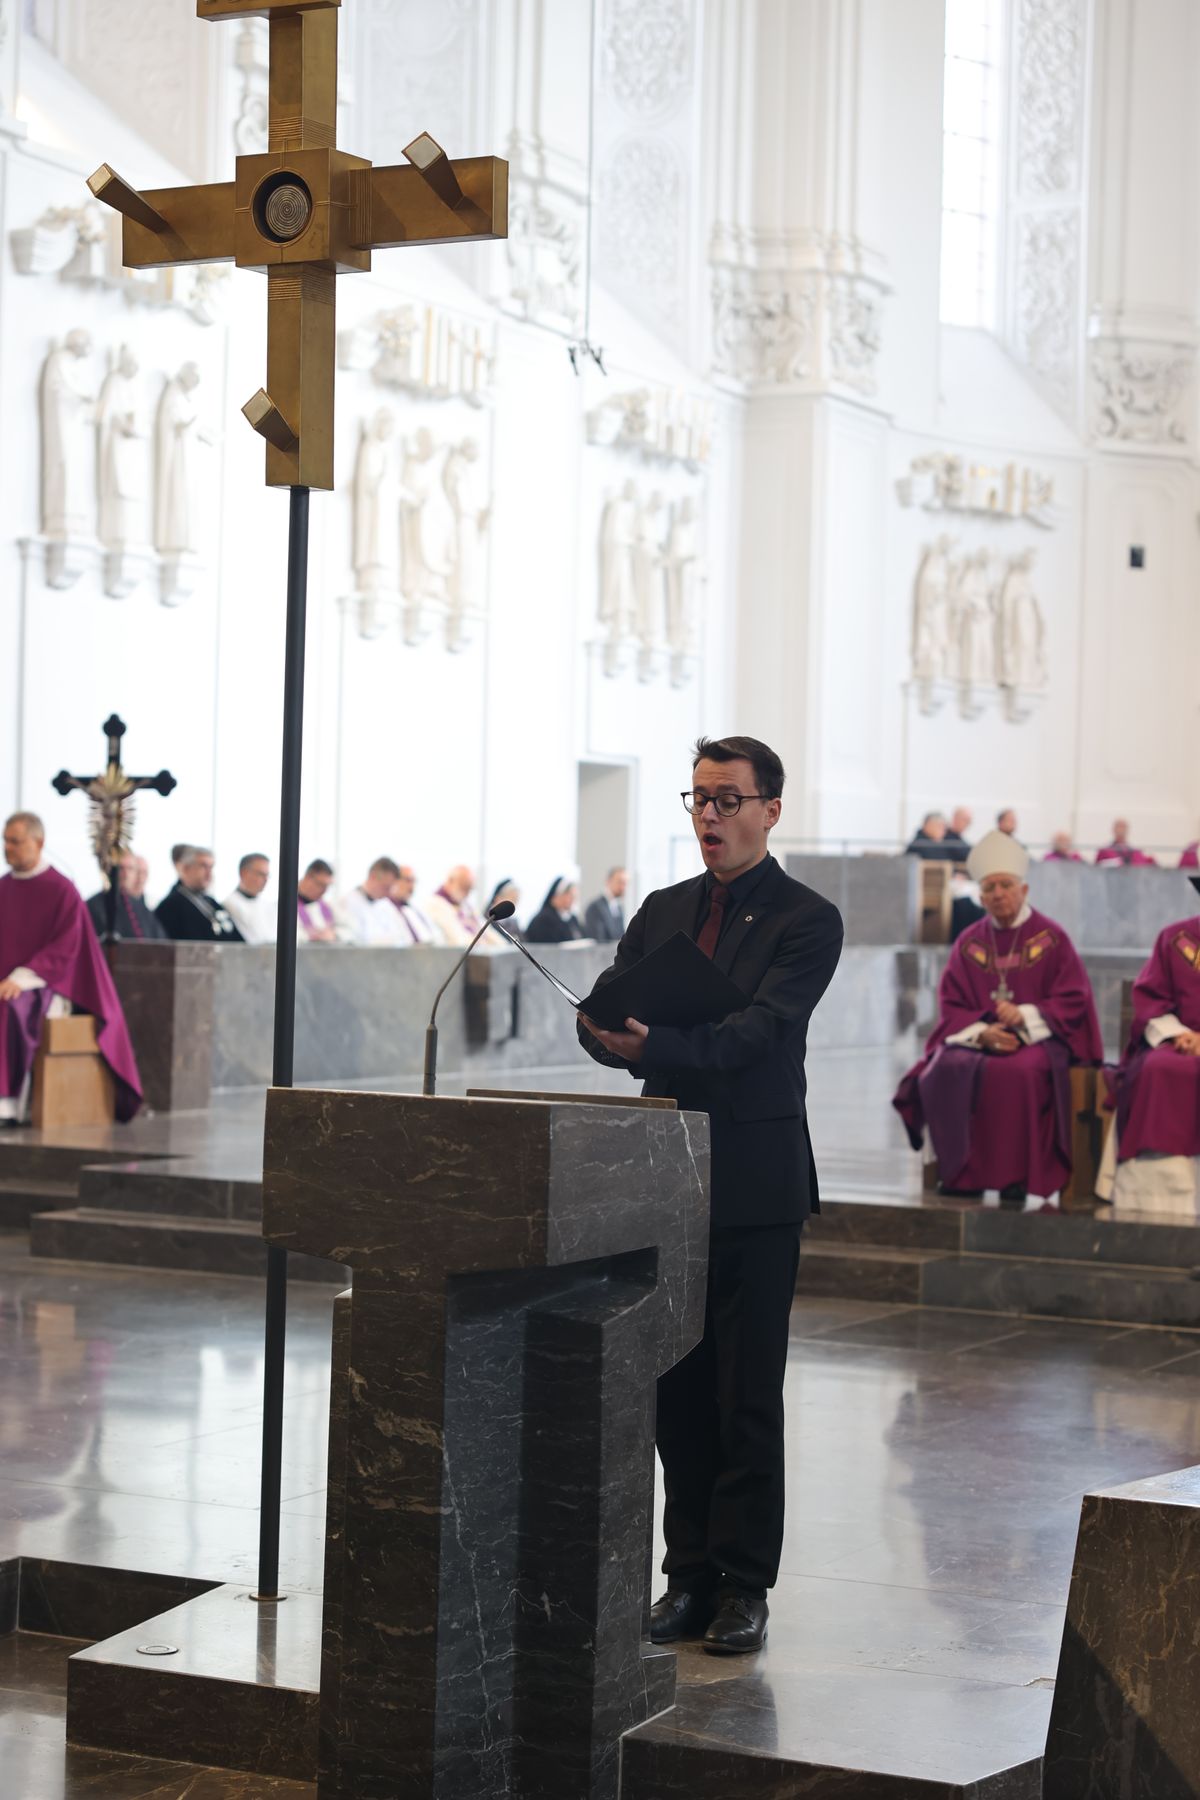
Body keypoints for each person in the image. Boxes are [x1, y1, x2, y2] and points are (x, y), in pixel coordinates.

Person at [578, 734, 842, 1655]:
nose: (709, 818)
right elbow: (612, 1013)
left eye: (727, 800)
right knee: (676, 1393)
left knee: (744, 1394)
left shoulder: (808, 920)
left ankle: (742, 1585)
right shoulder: (662, 909)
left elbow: (759, 1035)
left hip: (756, 1180)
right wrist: (601, 1029)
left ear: (771, 808)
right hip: (666, 1173)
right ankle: (684, 1575)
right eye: (697, 800)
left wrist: (658, 1045)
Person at [893, 830, 1103, 1204]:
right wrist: (983, 1032)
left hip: (1040, 1039)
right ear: (981, 896)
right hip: (979, 1039)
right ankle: (960, 1173)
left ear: (1023, 890)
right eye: (989, 888)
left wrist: (1025, 1016)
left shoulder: (1052, 938)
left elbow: (1074, 999)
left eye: (1005, 885)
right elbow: (952, 1003)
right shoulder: (970, 942)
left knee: (1015, 1072)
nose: (998, 894)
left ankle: (1014, 1179)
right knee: (944, 1066)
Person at [0, 812, 141, 1125]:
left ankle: (6, 1106)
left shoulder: (61, 889)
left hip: (46, 984)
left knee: (11, 1008)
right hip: (9, 981)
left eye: (16, 841)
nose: (8, 848)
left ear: (39, 842)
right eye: (5, 841)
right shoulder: (3, 887)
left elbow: (66, 946)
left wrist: (19, 979)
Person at [1099, 877, 1200, 1216]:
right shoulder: (1176, 939)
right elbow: (1151, 999)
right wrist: (1177, 1035)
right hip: (1181, 1041)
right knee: (1158, 1067)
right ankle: (1157, 1200)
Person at [156, 848, 245, 941]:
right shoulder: (170, 906)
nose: (209, 873)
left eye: (211, 867)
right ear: (186, 868)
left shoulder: (211, 902)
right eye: (203, 866)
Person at [85, 852, 167, 942]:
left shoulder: (142, 909)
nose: (125, 874)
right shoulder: (92, 906)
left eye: (130, 869)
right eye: (120, 868)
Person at [339, 858, 411, 946]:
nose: (388, 893)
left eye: (391, 888)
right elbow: (353, 940)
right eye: (386, 887)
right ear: (372, 877)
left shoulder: (387, 905)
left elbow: (402, 938)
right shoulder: (347, 902)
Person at [222, 853, 274, 945]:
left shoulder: (268, 905)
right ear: (243, 873)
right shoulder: (229, 904)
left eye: (267, 875)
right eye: (261, 874)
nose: (266, 879)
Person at [426, 866, 484, 948]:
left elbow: (486, 930)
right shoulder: (436, 904)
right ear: (450, 881)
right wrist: (484, 946)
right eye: (464, 887)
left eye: (469, 889)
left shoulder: (466, 905)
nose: (467, 893)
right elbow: (458, 940)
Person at [388, 865, 440, 945]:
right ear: (395, 880)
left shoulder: (414, 910)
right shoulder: (385, 908)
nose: (411, 886)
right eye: (408, 880)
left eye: (414, 881)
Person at [525, 875, 584, 943]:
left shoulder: (573, 919)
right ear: (557, 895)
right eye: (569, 895)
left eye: (573, 896)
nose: (572, 899)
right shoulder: (543, 919)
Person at [297, 860, 344, 944]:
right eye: (321, 885)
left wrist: (334, 934)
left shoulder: (328, 906)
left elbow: (352, 929)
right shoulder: (285, 905)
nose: (324, 891)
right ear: (308, 878)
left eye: (327, 886)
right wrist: (311, 936)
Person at [584, 867, 627, 941]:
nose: (623, 887)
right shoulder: (595, 907)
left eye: (625, 883)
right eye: (620, 882)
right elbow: (598, 940)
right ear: (608, 881)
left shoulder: (619, 908)